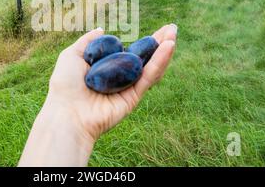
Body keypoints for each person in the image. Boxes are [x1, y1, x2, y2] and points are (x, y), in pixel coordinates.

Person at [18, 24, 178, 167]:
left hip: (119, 65)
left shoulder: (127, 60)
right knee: (135, 57)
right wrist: (67, 113)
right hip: (117, 66)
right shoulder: (126, 60)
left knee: (136, 57)